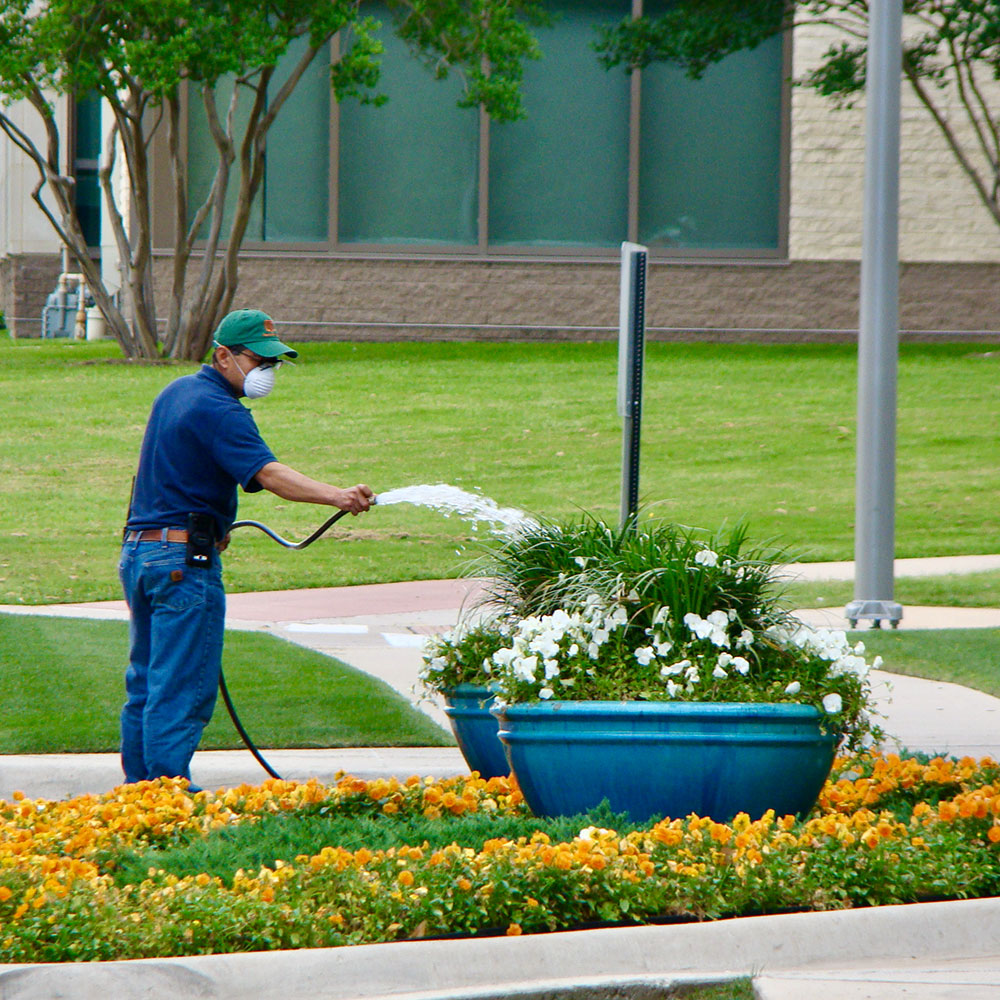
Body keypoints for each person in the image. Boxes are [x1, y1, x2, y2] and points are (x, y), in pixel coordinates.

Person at [119, 309, 373, 788]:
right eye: (259, 361)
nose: (267, 373)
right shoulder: (221, 411)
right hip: (181, 565)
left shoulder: (175, 394)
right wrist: (338, 496)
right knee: (181, 685)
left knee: (146, 682)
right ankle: (169, 794)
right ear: (223, 356)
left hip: (141, 552)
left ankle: (139, 795)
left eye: (273, 364)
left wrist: (213, 522)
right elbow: (269, 474)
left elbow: (164, 472)